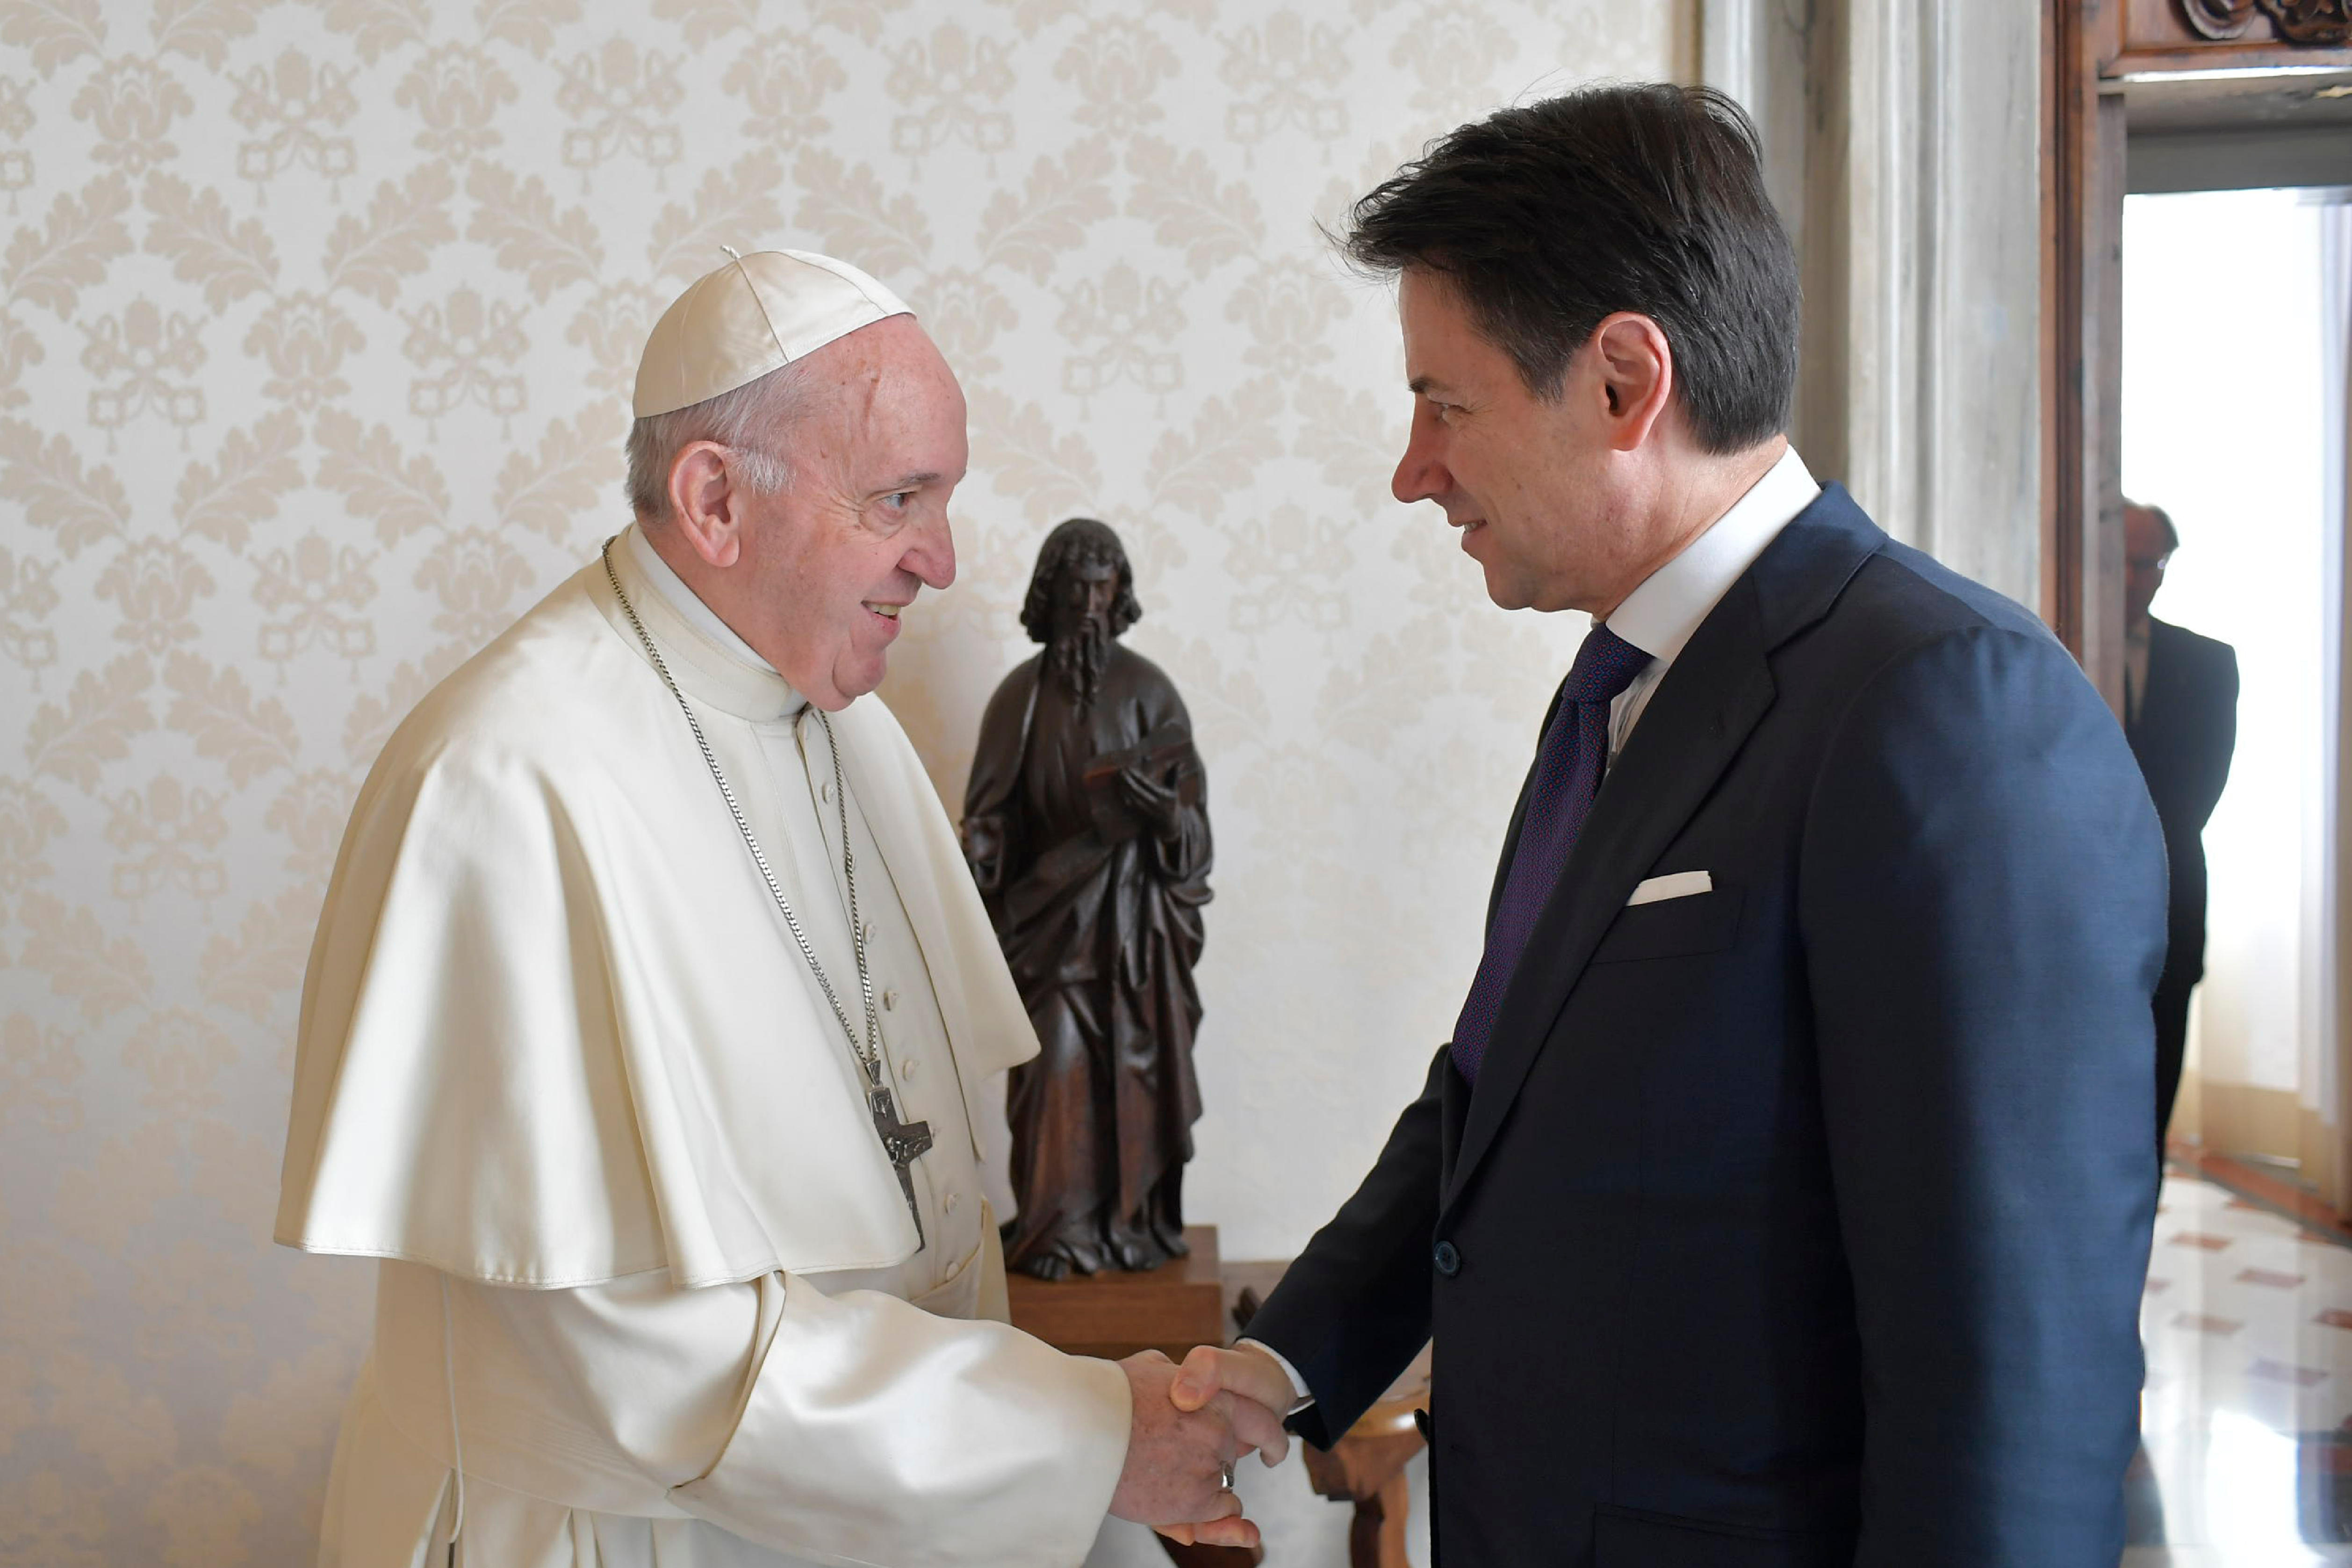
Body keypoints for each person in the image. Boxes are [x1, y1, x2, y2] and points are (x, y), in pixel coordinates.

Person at [1172, 85, 2169, 1564]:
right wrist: (1283, 1364)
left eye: (1447, 404)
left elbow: (2014, 1380)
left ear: (1625, 382)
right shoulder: (1617, 691)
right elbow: (1491, 1102)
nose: (1413, 468)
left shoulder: (1948, 710)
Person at [274, 248, 1282, 1568]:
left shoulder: (838, 719)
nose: (941, 560)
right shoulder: (508, 782)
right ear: (715, 501)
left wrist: (1061, 1439)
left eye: (944, 499)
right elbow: (640, 1362)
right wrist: (1085, 1436)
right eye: (898, 499)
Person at [964, 517, 1213, 1281]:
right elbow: (989, 815)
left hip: (1136, 937)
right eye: (1075, 590)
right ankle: (1056, 1233)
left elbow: (1193, 830)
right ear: (1051, 595)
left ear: (1120, 594)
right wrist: (980, 853)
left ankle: (1134, 1229)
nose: (1089, 607)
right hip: (1050, 930)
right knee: (1055, 1072)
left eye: (1103, 590)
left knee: (1137, 1077)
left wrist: (1164, 817)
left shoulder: (1151, 692)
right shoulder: (1020, 699)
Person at [2123, 498, 2238, 1151]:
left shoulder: (2208, 664)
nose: (2134, 578)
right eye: (2121, 562)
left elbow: (2197, 795)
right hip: (2064, 909)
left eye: (2148, 564)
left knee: (2155, 1093)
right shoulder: (2045, 649)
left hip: (2172, 901)